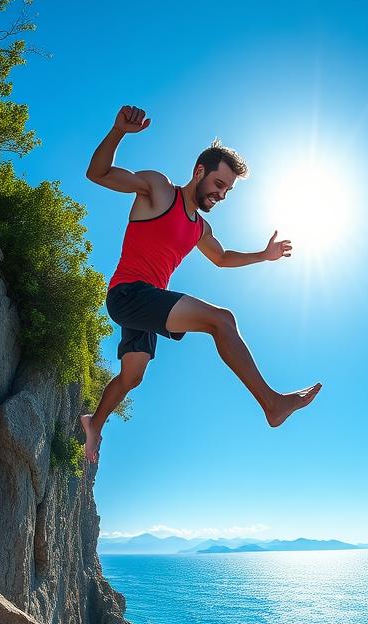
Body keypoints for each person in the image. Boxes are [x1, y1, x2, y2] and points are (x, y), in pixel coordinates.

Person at [80, 105, 322, 463]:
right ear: (199, 172)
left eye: (227, 190)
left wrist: (263, 255)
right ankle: (272, 404)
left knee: (132, 377)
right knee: (221, 320)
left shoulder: (199, 228)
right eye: (219, 184)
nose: (221, 194)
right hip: (128, 293)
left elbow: (222, 258)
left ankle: (94, 424)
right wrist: (118, 133)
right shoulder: (159, 190)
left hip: (147, 302)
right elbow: (97, 173)